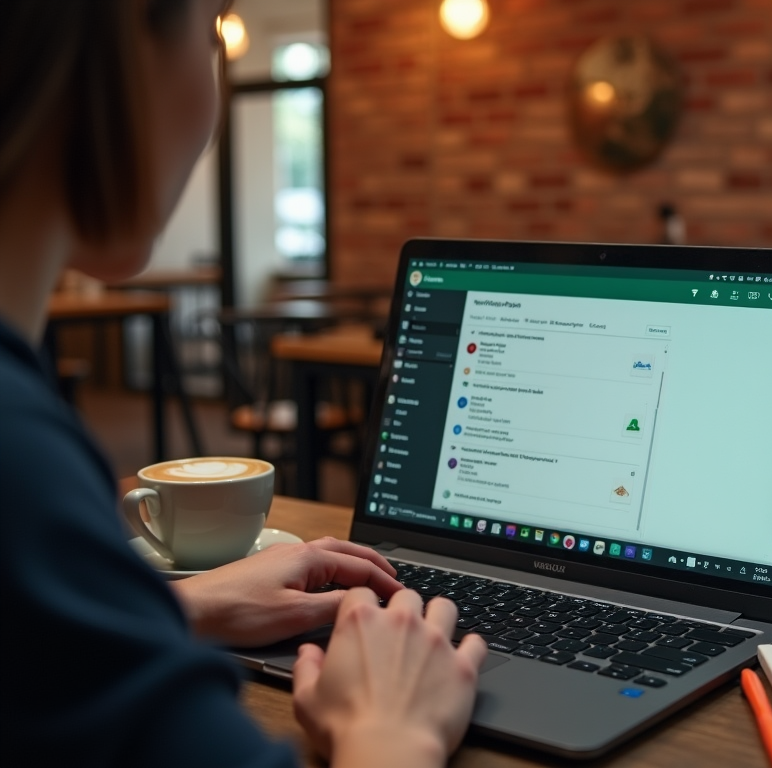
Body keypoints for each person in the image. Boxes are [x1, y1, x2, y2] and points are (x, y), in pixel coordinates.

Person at [0, 2, 487, 766]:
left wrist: (164, 606)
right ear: (127, 46)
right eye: (208, 33)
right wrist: (393, 733)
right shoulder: (20, 464)